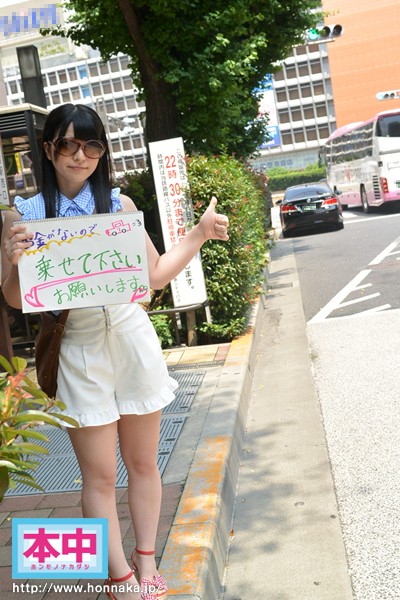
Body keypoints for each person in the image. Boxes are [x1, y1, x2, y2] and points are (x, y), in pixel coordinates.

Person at [1, 103, 229, 600]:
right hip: (76, 347)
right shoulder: (24, 216)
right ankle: (119, 576)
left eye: (91, 145)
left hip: (131, 339)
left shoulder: (118, 206)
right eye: (67, 144)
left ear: (102, 152)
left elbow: (154, 276)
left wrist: (198, 233)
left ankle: (147, 562)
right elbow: (16, 299)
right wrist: (14, 260)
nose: (79, 155)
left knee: (144, 463)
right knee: (100, 475)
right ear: (48, 149)